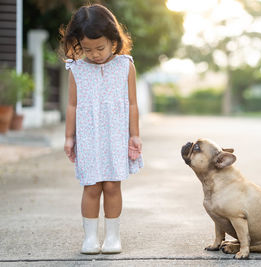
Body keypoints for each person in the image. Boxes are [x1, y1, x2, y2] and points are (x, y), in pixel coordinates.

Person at [59, 3, 143, 254]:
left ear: (113, 40)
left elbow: (132, 103)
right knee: (92, 186)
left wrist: (135, 134)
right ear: (77, 44)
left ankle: (113, 237)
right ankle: (90, 238)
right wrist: (68, 137)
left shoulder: (125, 65)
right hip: (89, 136)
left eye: (100, 48)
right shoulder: (76, 69)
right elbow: (72, 105)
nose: (94, 54)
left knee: (112, 185)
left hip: (116, 135)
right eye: (87, 49)